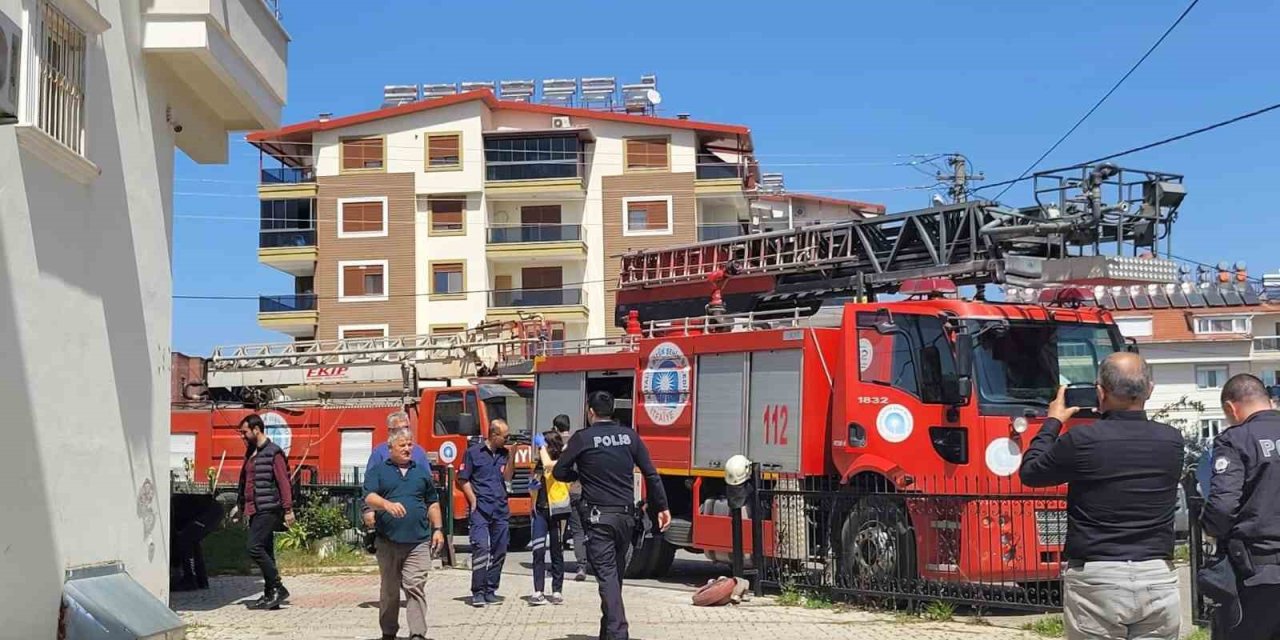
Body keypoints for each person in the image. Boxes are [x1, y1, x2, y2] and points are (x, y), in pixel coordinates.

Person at [1019, 352, 1183, 640]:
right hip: (1157, 574)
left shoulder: (1082, 440)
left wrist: (1053, 422)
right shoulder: (1171, 440)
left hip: (1099, 577)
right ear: (1150, 389)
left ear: (1100, 392)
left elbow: (1031, 472)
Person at [553, 391, 670, 640]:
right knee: (613, 579)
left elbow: (560, 472)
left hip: (599, 521)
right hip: (627, 520)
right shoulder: (629, 436)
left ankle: (618, 633)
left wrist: (580, 476)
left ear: (590, 412)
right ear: (612, 410)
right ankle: (608, 632)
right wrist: (662, 507)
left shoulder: (582, 438)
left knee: (607, 578)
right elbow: (651, 474)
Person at [1201, 374, 1280, 639]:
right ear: (1269, 401)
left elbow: (1223, 506)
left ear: (1231, 408)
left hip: (1258, 573)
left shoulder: (1236, 439)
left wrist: (1209, 527)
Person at [363, 426, 445, 640]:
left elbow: (432, 503)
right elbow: (369, 497)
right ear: (390, 448)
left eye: (410, 444)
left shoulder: (421, 472)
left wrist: (438, 529)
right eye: (403, 445)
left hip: (418, 541)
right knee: (390, 590)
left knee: (414, 585)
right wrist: (386, 505)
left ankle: (417, 633)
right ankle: (388, 632)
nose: (408, 449)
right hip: (388, 541)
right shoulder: (379, 471)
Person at [230, 414, 296, 610]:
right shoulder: (252, 452)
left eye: (245, 432)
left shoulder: (273, 452)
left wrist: (288, 509)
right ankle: (270, 594)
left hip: (269, 508)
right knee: (266, 550)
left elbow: (284, 482)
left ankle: (278, 586)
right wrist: (241, 506)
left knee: (254, 547)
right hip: (255, 508)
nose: (242, 436)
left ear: (256, 429)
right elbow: (246, 482)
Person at [458, 418, 512, 607]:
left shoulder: (505, 454)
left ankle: (491, 589)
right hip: (480, 508)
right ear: (494, 434)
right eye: (505, 436)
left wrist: (511, 458)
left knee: (500, 549)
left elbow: (508, 477)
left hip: (500, 508)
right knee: (481, 547)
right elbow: (463, 479)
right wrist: (472, 499)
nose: (507, 439)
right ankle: (478, 591)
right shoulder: (473, 453)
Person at [362, 412, 430, 532]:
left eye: (407, 427)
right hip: (388, 521)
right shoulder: (379, 453)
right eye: (400, 429)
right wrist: (368, 510)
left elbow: (429, 486)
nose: (404, 431)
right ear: (390, 431)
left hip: (416, 521)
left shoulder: (419, 453)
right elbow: (369, 486)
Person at [528, 429, 572, 605]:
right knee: (538, 550)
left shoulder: (562, 461)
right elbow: (537, 478)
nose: (540, 448)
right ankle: (538, 590)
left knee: (556, 551)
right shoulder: (540, 462)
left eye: (543, 444)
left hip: (558, 511)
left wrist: (541, 447)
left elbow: (548, 465)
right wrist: (532, 487)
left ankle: (557, 590)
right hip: (540, 510)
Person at [554, 413, 590, 581]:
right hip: (583, 492)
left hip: (564, 493)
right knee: (585, 530)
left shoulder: (555, 442)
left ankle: (569, 567)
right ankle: (588, 565)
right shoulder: (579, 441)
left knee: (568, 532)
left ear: (555, 427)